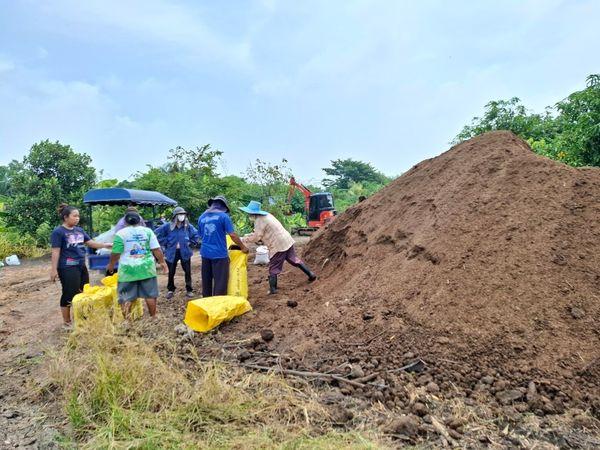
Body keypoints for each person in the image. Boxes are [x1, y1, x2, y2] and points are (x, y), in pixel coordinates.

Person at [50, 203, 112, 328]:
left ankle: (82, 318)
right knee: (69, 293)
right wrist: (53, 269)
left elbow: (90, 243)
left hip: (81, 265)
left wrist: (105, 245)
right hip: (67, 267)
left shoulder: (79, 230)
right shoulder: (58, 232)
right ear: (66, 217)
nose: (77, 218)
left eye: (78, 216)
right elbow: (55, 251)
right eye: (74, 216)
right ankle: (67, 323)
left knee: (84, 290)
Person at [239, 200, 316, 295]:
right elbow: (258, 233)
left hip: (278, 244)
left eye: (249, 213)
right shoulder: (267, 215)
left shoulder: (259, 220)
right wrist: (248, 236)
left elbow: (257, 237)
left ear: (252, 213)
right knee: (293, 259)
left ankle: (273, 289)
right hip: (286, 239)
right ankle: (311, 274)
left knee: (274, 267)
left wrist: (244, 239)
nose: (248, 215)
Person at [106, 211, 168, 319]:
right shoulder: (148, 231)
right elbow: (156, 249)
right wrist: (162, 262)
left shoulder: (121, 234)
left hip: (127, 270)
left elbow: (115, 253)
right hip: (147, 268)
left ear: (125, 222)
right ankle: (153, 317)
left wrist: (111, 265)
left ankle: (127, 321)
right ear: (140, 221)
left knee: (126, 296)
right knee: (150, 295)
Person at [198, 196, 248, 297]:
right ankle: (218, 304)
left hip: (205, 253)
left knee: (206, 281)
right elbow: (232, 235)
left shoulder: (201, 217)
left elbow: (200, 235)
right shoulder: (223, 217)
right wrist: (243, 247)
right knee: (220, 282)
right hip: (219, 255)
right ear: (223, 207)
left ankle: (206, 302)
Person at [155, 206, 199, 299]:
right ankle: (170, 289)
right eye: (180, 214)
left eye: (183, 214)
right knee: (171, 272)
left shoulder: (187, 226)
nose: (182, 216)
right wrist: (167, 242)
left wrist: (191, 242)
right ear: (175, 216)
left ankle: (189, 289)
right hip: (172, 252)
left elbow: (196, 234)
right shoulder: (167, 226)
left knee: (187, 271)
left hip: (185, 251)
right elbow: (156, 234)